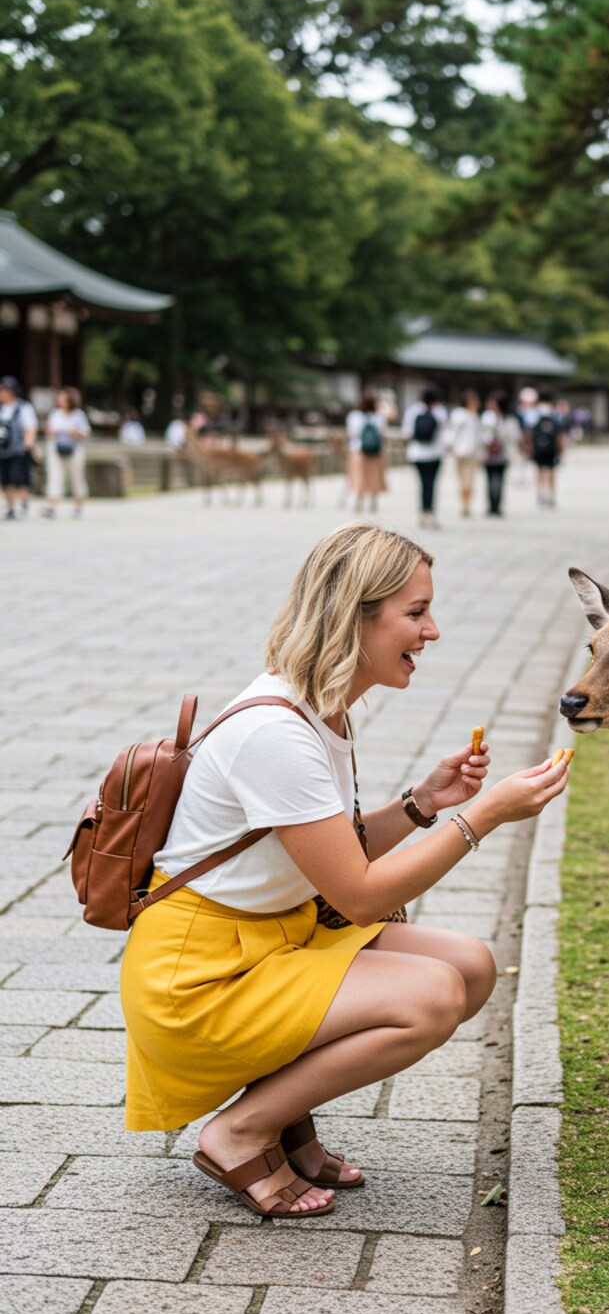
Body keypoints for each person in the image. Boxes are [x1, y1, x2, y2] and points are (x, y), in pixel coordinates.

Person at [119, 523, 570, 1218]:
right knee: (431, 997)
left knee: (473, 966)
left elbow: (326, 846)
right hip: (201, 974)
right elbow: (358, 894)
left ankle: (285, 1116)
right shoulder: (276, 733)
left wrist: (423, 803)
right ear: (355, 614)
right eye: (416, 613)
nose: (434, 630)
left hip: (271, 936)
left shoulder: (321, 708)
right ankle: (239, 1131)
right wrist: (482, 817)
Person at [402, 386, 448, 528]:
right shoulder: (440, 412)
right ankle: (429, 512)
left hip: (417, 454)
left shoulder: (413, 410)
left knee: (422, 483)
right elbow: (445, 434)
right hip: (434, 454)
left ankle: (423, 512)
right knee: (431, 484)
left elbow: (406, 433)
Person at [43, 386, 91, 519]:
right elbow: (49, 431)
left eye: (62, 397)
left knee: (76, 478)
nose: (59, 399)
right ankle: (52, 506)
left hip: (74, 449)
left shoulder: (78, 414)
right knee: (54, 476)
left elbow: (86, 432)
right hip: (56, 448)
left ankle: (78, 506)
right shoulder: (55, 413)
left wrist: (75, 432)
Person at [0, 376, 38, 520]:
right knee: (5, 480)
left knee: (19, 479)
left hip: (18, 448)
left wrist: (29, 443)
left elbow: (30, 428)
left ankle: (23, 503)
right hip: (2, 449)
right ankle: (10, 507)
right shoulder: (2, 409)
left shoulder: (23, 407)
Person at [346, 391, 389, 512]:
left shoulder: (354, 416)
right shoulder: (379, 417)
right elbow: (383, 433)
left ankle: (358, 503)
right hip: (376, 451)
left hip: (358, 450)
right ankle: (373, 502)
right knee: (375, 476)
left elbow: (351, 433)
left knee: (359, 476)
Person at [480, 391, 521, 517]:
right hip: (488, 454)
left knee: (499, 480)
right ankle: (491, 505)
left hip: (503, 454)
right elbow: (482, 435)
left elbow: (514, 436)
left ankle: (497, 505)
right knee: (490, 480)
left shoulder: (508, 419)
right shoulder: (487, 417)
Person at [445, 389, 483, 519]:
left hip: (472, 452)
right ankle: (464, 504)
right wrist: (450, 446)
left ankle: (466, 504)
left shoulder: (474, 416)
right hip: (460, 452)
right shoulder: (460, 414)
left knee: (469, 480)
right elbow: (452, 432)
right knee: (463, 480)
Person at [527, 394, 564, 508]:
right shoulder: (554, 417)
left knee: (540, 471)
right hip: (551, 449)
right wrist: (561, 451)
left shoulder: (535, 415)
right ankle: (550, 495)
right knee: (550, 472)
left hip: (540, 449)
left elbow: (530, 434)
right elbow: (559, 436)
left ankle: (541, 494)